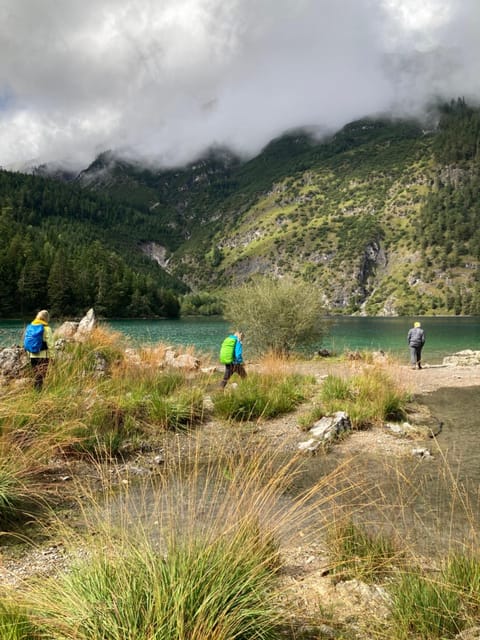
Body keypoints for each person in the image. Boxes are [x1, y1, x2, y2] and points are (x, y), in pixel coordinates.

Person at [24, 309, 54, 390]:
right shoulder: (47, 328)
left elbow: (27, 340)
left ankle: (35, 391)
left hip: (32, 354)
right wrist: (53, 356)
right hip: (43, 354)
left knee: (35, 374)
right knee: (41, 375)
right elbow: (51, 345)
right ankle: (38, 393)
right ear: (46, 318)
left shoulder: (30, 326)